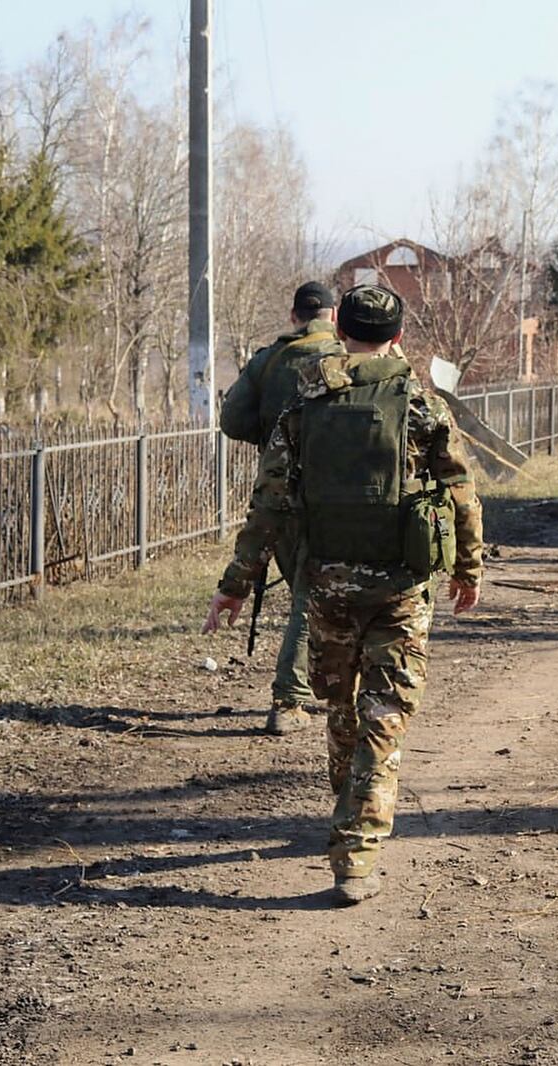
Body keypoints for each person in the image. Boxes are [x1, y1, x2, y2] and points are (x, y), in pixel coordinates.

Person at [203, 283, 484, 905]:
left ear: (342, 330)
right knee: (386, 714)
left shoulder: (306, 400)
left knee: (344, 707)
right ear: (399, 336)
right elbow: (461, 489)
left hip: (327, 581)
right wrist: (468, 567)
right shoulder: (420, 403)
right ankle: (356, 847)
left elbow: (271, 500)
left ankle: (347, 810)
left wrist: (236, 585)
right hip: (403, 585)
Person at [218, 281, 346, 736]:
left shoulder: (268, 359)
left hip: (278, 495)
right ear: (332, 316)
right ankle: (289, 698)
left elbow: (232, 420)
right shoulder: (347, 358)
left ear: (294, 316)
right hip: (335, 497)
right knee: (309, 599)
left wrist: (274, 439)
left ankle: (309, 690)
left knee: (305, 594)